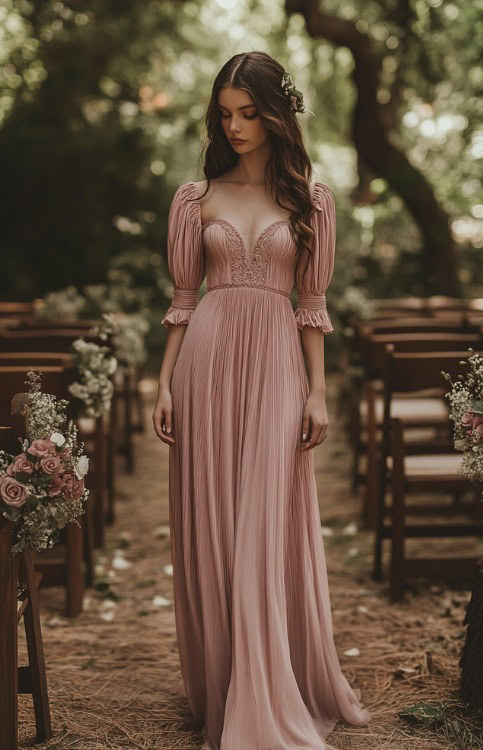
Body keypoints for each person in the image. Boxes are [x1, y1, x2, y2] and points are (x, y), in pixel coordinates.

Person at [153, 50, 371, 750]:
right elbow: (185, 300)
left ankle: (268, 695)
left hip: (278, 364)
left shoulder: (311, 201)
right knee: (216, 524)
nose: (236, 125)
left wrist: (319, 392)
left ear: (278, 113)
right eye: (225, 113)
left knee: (263, 526)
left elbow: (312, 305)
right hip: (207, 363)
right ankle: (226, 687)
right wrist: (163, 380)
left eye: (249, 112)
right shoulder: (196, 198)